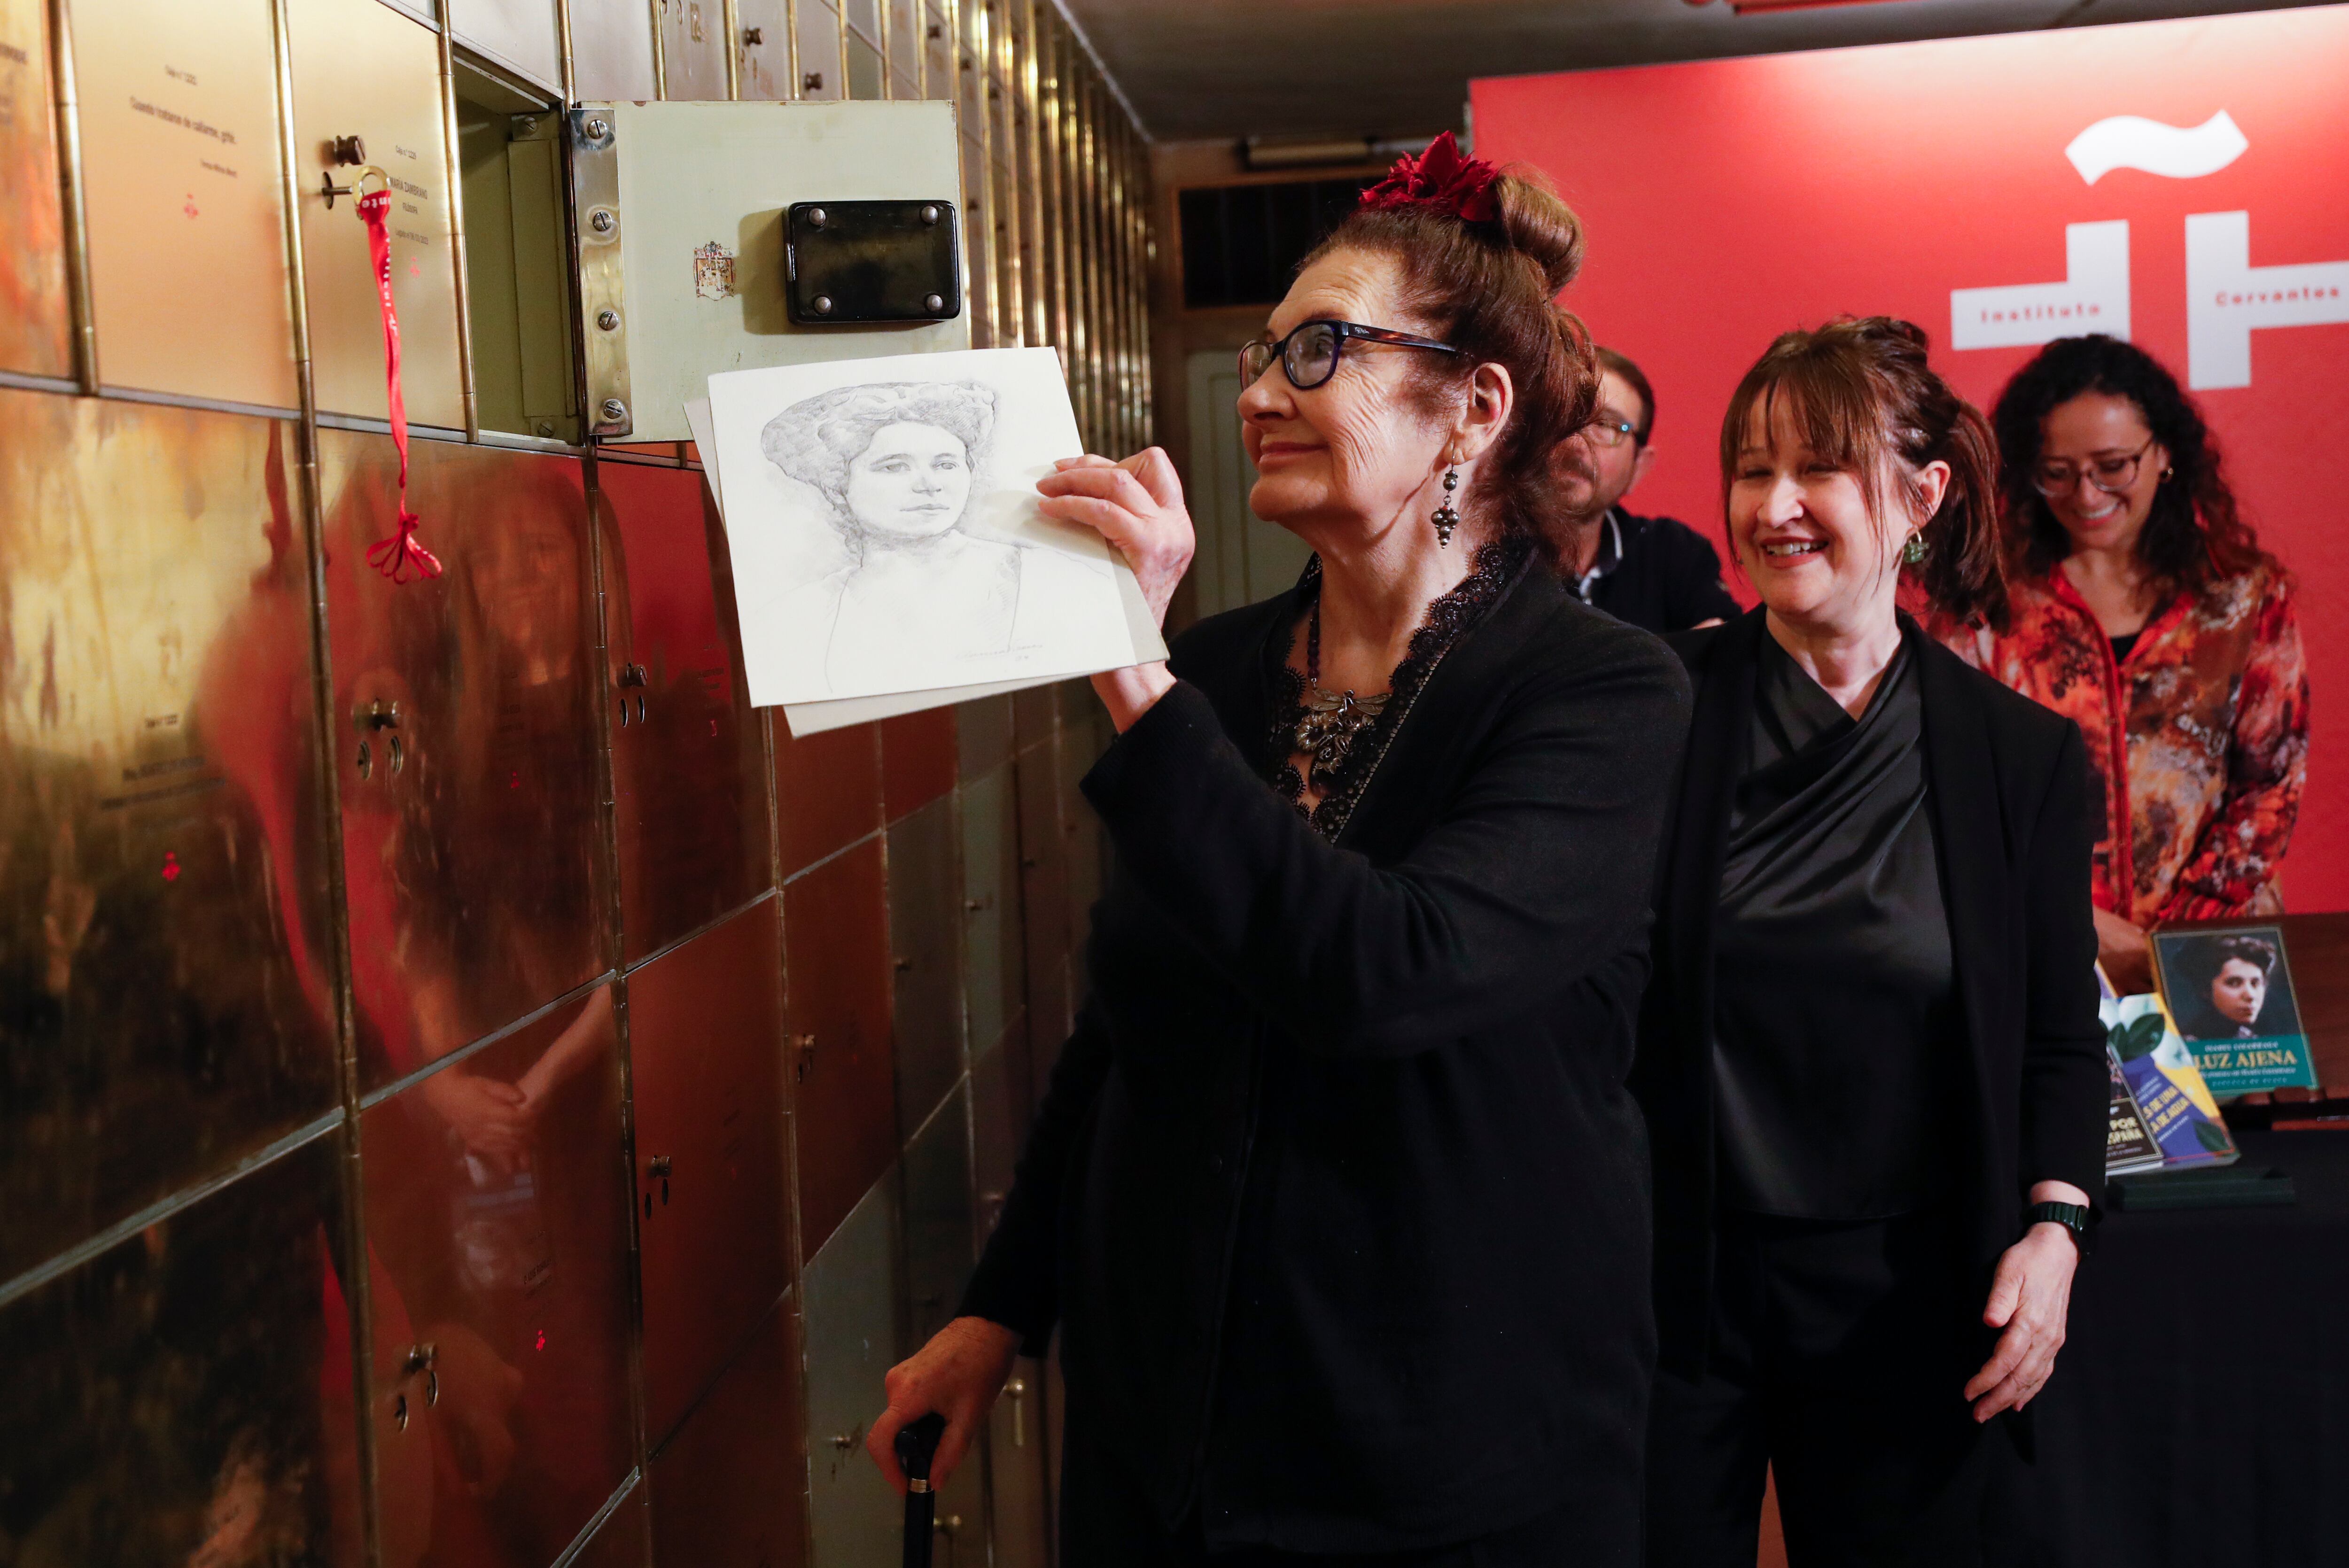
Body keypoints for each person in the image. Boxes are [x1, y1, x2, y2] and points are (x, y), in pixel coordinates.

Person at [864, 133, 1692, 1564]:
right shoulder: (1227, 667)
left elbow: (1383, 969)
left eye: (1317, 351)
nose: (1255, 395)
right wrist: (997, 1308)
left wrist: (1126, 665)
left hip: (1442, 1448)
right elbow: (1134, 1022)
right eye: (1260, 353)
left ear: (1471, 409)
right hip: (1166, 1431)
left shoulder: (1599, 692)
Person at [1634, 318, 2107, 1567]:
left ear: (1920, 496)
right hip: (1678, 1288)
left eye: (1817, 470)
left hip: (1911, 1296)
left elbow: (2061, 1037)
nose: (1775, 507)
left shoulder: (2022, 762)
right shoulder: (1657, 714)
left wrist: (2057, 1233)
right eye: (1750, 469)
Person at [1940, 335, 2308, 994]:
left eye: (2113, 465)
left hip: (2218, 961)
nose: (2086, 493)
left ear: (2164, 453)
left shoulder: (2244, 601)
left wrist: (2173, 942)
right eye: (2056, 470)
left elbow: (2270, 788)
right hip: (2041, 950)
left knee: (2221, 1104)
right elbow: (1956, 793)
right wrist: (2080, 923)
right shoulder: (1987, 611)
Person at [757, 379, 1116, 693]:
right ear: (838, 485)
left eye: (946, 465)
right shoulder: (796, 617)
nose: (930, 485)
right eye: (895, 466)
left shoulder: (1055, 580)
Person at [1549, 345, 1742, 632]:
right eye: (1566, 413)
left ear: (1639, 466)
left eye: (1606, 425)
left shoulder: (1674, 555)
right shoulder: (1481, 551)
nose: (1578, 443)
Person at [2170, 931, 2298, 1042]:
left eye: (2255, 983)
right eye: (2234, 983)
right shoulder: (2187, 1042)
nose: (2250, 996)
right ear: (2205, 989)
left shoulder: (2251, 1039)